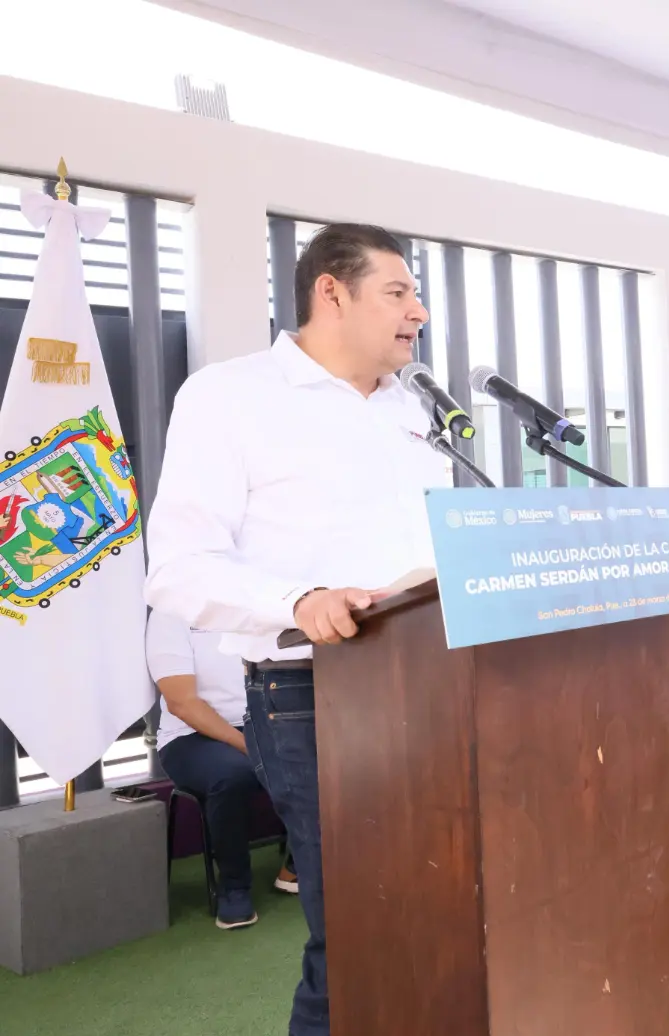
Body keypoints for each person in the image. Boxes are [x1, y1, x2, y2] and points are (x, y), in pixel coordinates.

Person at [144, 223, 454, 1034]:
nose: (418, 311)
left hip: (438, 685)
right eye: (398, 292)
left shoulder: (414, 408)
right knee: (358, 930)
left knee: (438, 908)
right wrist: (299, 600)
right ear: (331, 292)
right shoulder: (230, 395)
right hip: (312, 697)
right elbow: (176, 567)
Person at [146, 609, 298, 930]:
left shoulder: (249, 600)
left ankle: (297, 865)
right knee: (233, 775)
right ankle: (234, 886)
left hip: (262, 723)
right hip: (190, 736)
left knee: (328, 753)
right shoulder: (169, 615)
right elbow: (182, 703)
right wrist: (252, 747)